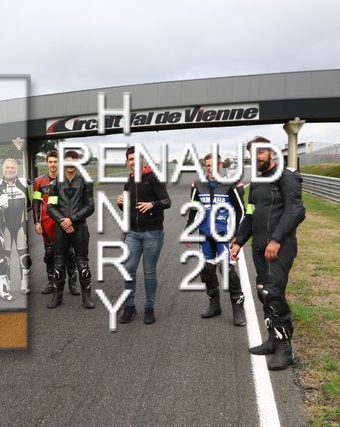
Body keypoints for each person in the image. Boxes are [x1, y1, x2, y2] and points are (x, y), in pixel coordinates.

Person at [231, 136, 306, 370]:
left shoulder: (287, 176)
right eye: (252, 154)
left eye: (260, 153)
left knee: (273, 293)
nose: (256, 158)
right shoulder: (257, 182)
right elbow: (250, 214)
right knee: (263, 293)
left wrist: (276, 240)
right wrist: (239, 241)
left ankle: (285, 349)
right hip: (260, 247)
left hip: (279, 247)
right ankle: (273, 339)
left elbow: (296, 210)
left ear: (271, 153)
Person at [185, 153, 246, 326]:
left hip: (224, 236)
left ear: (220, 165)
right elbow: (193, 208)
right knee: (207, 269)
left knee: (227, 271)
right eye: (207, 165)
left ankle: (238, 309)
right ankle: (214, 305)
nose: (210, 169)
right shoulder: (198, 184)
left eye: (213, 165)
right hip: (205, 236)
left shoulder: (232, 184)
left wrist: (237, 235)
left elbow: (241, 211)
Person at [117, 146, 171, 324]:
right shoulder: (129, 181)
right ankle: (129, 307)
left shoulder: (153, 177)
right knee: (128, 269)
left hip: (152, 232)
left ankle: (149, 308)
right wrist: (121, 203)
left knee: (149, 272)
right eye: (130, 159)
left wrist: (152, 204)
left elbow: (167, 201)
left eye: (136, 158)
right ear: (128, 162)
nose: (134, 162)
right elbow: (128, 209)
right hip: (132, 233)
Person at [46, 150, 95, 309]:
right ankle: (57, 296)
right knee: (59, 262)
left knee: (82, 262)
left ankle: (86, 297)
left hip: (79, 227)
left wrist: (72, 219)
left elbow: (90, 206)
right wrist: (63, 221)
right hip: (61, 227)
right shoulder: (55, 184)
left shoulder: (86, 182)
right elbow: (50, 207)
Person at [33, 151, 79, 296]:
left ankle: (73, 283)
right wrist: (36, 222)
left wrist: (72, 220)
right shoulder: (39, 182)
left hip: (64, 221)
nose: (53, 164)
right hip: (47, 222)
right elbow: (36, 202)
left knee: (69, 252)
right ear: (47, 163)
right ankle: (51, 282)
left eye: (55, 162)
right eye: (50, 162)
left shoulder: (66, 180)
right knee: (49, 253)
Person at [0, 158, 32, 299]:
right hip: (4, 226)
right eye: (7, 167)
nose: (10, 170)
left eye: (12, 167)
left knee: (24, 257)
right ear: (3, 169)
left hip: (21, 224)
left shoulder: (24, 183)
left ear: (16, 169)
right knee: (5, 258)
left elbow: (30, 204)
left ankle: (25, 283)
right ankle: (7, 284)